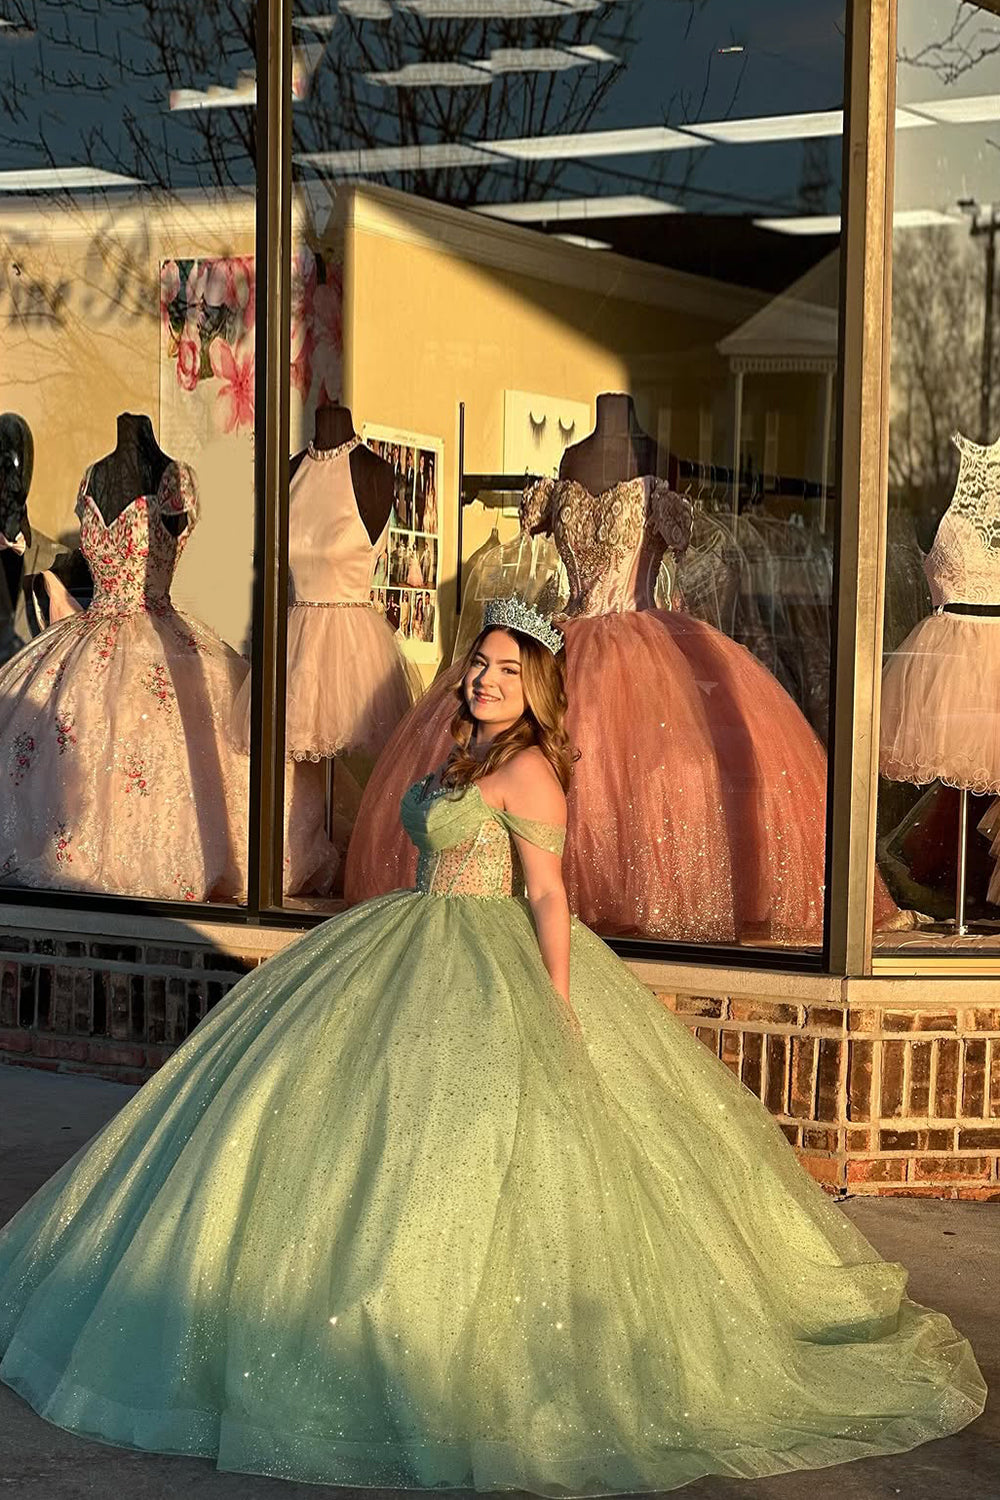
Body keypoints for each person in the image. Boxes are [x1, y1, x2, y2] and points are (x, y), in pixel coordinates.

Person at [0, 596, 985, 1494]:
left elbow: (548, 896)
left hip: (486, 952)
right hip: (404, 936)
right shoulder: (463, 754)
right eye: (479, 663)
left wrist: (555, 1005)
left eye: (508, 670)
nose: (483, 679)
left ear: (536, 687)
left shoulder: (528, 771)